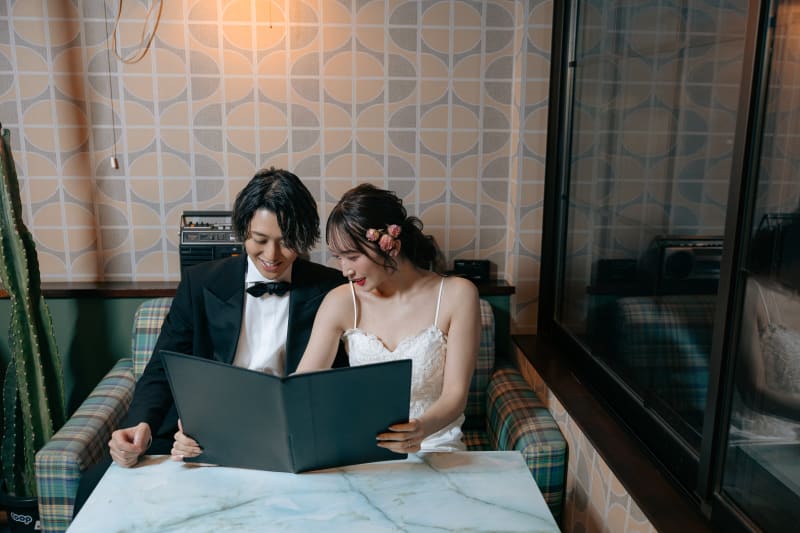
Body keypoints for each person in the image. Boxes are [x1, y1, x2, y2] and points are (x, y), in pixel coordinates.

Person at [74, 168, 347, 513]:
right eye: (259, 239)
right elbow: (161, 368)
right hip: (200, 433)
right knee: (94, 486)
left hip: (288, 436)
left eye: (287, 241)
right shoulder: (200, 283)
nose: (272, 254)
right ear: (243, 230)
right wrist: (138, 425)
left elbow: (339, 382)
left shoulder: (332, 288)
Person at [296, 183, 480, 454]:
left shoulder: (457, 294)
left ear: (390, 245)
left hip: (434, 444)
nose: (345, 270)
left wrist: (420, 429)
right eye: (338, 258)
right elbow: (303, 385)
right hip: (362, 447)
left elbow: (455, 395)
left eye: (352, 257)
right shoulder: (341, 301)